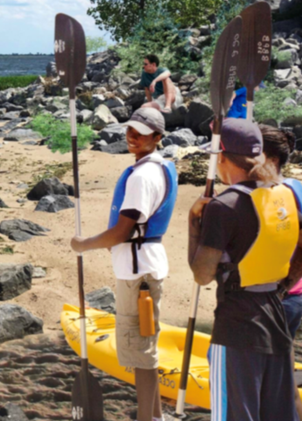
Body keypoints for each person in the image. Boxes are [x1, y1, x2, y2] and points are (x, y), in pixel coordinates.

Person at [188, 119, 302, 421]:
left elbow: (202, 274)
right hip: (276, 313)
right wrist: (281, 285)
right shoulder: (285, 194)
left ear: (222, 157)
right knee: (277, 412)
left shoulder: (224, 206)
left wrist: (193, 225)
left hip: (237, 325)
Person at [70, 108, 177, 421]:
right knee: (144, 348)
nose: (132, 137)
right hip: (145, 265)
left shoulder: (143, 175)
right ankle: (155, 416)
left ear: (157, 137)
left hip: (138, 273)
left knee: (140, 353)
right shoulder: (159, 167)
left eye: (141, 133)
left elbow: (122, 231)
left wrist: (83, 245)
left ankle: (147, 418)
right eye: (130, 130)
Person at [260, 124, 302, 419]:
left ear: (271, 158)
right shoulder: (297, 187)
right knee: (283, 369)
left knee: (274, 378)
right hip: (292, 295)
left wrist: (287, 283)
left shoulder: (278, 194)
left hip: (281, 296)